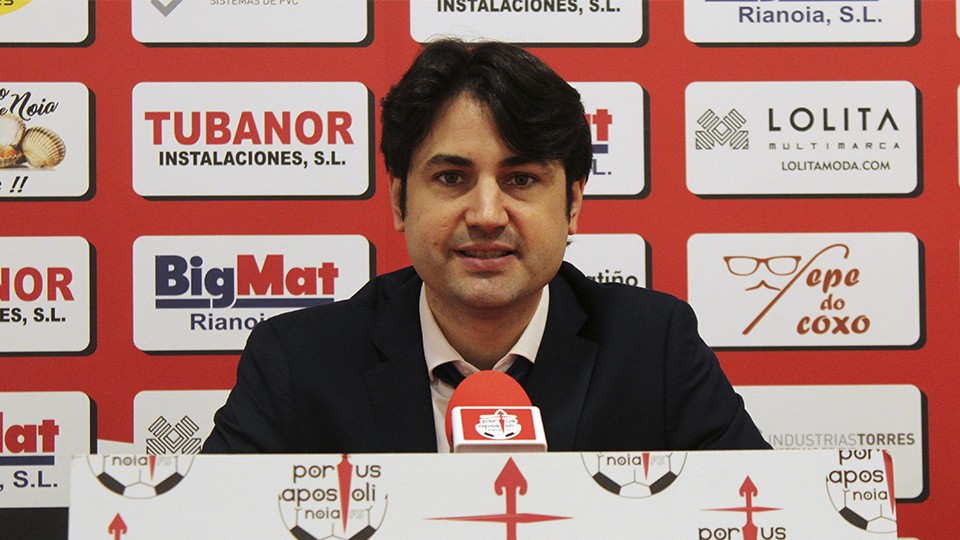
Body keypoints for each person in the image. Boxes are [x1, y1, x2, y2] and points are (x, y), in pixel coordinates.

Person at [202, 39, 770, 454]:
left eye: (521, 179)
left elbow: (768, 513)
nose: (486, 215)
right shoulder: (297, 362)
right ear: (400, 202)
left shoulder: (654, 349)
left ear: (572, 204)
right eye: (452, 178)